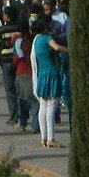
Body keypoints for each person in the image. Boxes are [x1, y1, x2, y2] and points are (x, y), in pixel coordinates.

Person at [31, 18, 66, 147]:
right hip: (51, 72)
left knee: (43, 106)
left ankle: (43, 137)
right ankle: (51, 138)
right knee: (52, 105)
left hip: (42, 74)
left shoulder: (37, 39)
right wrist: (69, 50)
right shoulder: (47, 37)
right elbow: (56, 47)